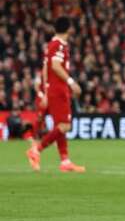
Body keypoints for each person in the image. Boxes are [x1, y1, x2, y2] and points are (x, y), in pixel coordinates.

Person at [26, 17, 85, 173]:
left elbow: (46, 68)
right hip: (59, 89)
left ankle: (65, 161)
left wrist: (46, 91)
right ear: (69, 29)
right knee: (65, 126)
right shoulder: (58, 45)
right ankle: (36, 149)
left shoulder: (54, 45)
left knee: (61, 127)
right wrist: (71, 82)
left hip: (54, 89)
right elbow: (55, 66)